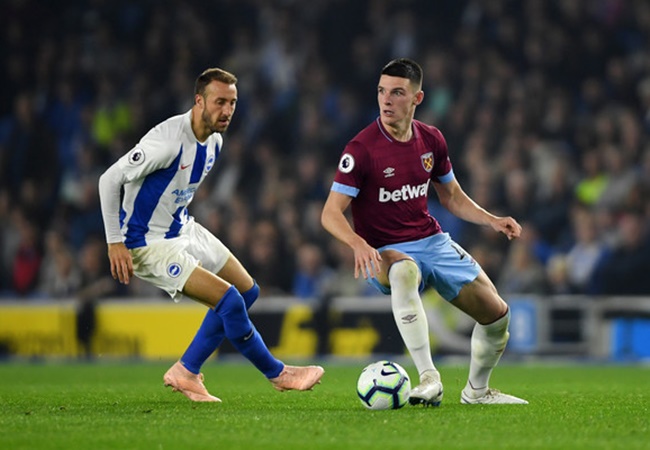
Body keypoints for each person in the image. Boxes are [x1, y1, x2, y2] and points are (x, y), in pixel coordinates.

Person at [98, 68, 324, 402]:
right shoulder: (167, 141)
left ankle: (186, 370)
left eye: (232, 103)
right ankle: (279, 373)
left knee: (247, 291)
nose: (227, 110)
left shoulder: (215, 142)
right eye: (220, 102)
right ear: (199, 101)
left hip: (182, 228)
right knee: (229, 301)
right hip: (146, 242)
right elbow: (109, 180)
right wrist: (115, 241)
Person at [321, 58, 527, 406]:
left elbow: (451, 196)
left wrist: (490, 219)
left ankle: (476, 392)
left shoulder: (432, 139)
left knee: (496, 316)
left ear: (417, 98)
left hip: (432, 241)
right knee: (404, 271)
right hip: (385, 250)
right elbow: (330, 213)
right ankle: (429, 377)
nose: (386, 100)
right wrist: (356, 242)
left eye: (397, 93)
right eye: (382, 91)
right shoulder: (361, 149)